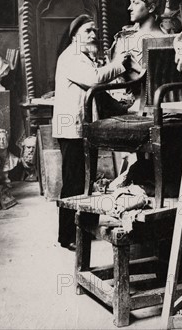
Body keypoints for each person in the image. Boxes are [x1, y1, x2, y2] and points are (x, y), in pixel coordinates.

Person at [52, 14, 132, 250]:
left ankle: (85, 228)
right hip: (72, 129)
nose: (93, 35)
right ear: (75, 35)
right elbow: (95, 80)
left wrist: (121, 106)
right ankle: (66, 236)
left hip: (85, 128)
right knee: (74, 183)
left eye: (95, 31)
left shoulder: (85, 57)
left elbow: (99, 93)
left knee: (86, 182)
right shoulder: (72, 56)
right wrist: (119, 65)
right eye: (88, 31)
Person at [110, 0, 167, 110]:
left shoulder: (125, 41)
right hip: (166, 109)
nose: (129, 8)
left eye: (135, 3)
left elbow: (114, 79)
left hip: (139, 109)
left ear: (151, 7)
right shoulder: (171, 39)